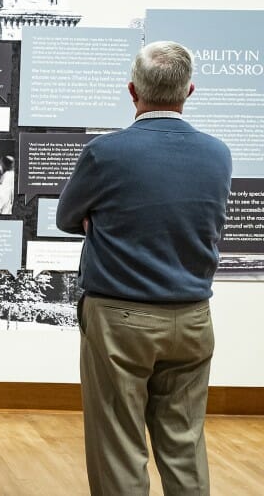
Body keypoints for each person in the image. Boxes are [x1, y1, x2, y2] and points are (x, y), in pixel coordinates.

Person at [56, 41, 232, 495]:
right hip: (193, 316)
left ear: (132, 91)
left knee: (118, 444)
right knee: (185, 442)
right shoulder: (218, 154)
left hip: (120, 318)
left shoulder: (105, 152)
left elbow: (66, 217)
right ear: (188, 90)